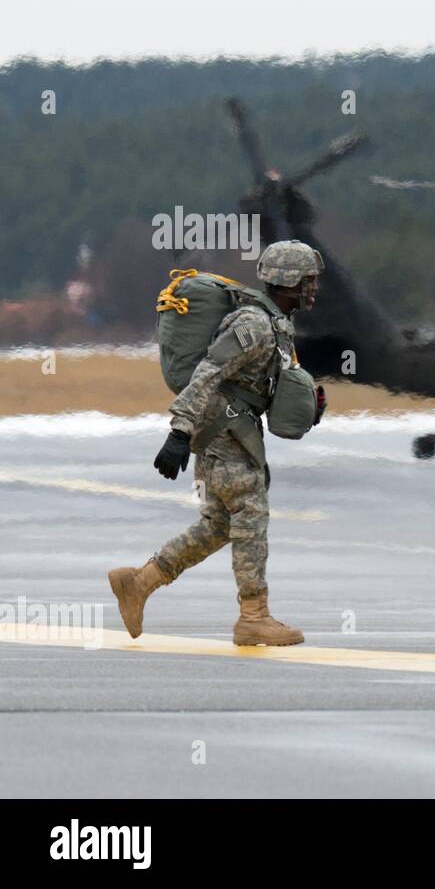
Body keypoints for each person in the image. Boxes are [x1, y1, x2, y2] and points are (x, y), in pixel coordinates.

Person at [108, 240, 327, 646]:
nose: (314, 289)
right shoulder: (253, 324)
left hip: (232, 431)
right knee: (249, 508)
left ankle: (138, 583)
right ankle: (253, 617)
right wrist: (179, 431)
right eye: (309, 281)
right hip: (222, 431)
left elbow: (256, 382)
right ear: (289, 281)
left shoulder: (276, 324)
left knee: (219, 524)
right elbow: (208, 372)